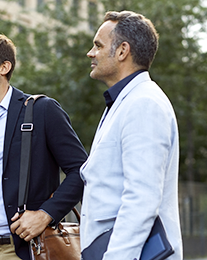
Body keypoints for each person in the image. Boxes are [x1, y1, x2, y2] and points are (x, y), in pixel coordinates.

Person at [0, 33, 88, 260]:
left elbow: (81, 171)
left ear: (4, 67)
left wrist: (46, 214)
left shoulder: (42, 111)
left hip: (28, 250)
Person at [80, 11, 182, 259]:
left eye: (98, 45)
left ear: (122, 51)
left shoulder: (144, 103)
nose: (90, 53)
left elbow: (142, 198)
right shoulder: (126, 101)